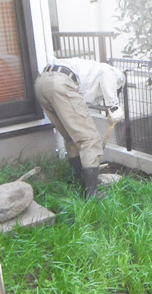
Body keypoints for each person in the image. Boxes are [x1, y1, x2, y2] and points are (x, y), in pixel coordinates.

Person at [35, 57, 125, 197]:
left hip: (41, 83)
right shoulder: (113, 73)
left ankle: (79, 181)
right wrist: (113, 105)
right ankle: (92, 194)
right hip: (61, 83)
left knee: (72, 137)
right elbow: (107, 75)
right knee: (90, 139)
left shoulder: (89, 74)